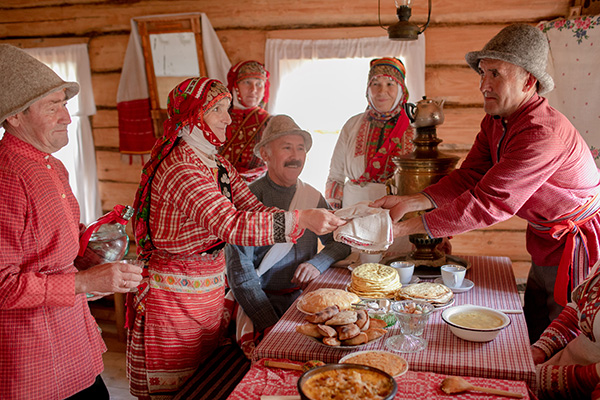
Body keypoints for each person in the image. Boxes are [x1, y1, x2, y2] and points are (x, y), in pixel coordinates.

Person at [372, 24, 600, 343]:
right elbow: (470, 176)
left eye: (495, 74)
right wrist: (409, 202)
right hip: (546, 237)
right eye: (482, 72)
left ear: (528, 81)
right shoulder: (497, 121)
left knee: (566, 335)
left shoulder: (541, 134)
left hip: (577, 244)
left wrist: (399, 230)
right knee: (534, 320)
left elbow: (488, 203)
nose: (483, 85)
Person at [126, 77, 345, 399]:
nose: (228, 119)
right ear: (192, 114)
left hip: (206, 293)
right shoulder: (182, 168)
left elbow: (252, 208)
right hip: (175, 296)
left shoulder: (215, 163)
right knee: (177, 388)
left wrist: (313, 217)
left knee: (202, 380)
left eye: (227, 109)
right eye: (217, 110)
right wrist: (301, 219)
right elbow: (230, 224)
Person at [0, 44, 144, 400]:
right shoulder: (6, 178)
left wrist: (95, 249)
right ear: (14, 116)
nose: (67, 117)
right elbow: (3, 285)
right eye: (53, 106)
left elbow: (52, 240)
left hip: (72, 336)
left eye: (64, 104)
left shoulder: (52, 166)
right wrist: (86, 281)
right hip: (33, 353)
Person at [225, 115, 351, 356]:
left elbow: (341, 242)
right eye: (287, 148)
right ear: (265, 154)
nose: (296, 156)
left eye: (300, 148)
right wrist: (270, 324)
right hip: (260, 306)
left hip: (305, 303)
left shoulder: (312, 196)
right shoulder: (248, 200)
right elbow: (240, 274)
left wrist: (316, 264)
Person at [325, 57, 415, 210]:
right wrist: (334, 213)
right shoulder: (352, 125)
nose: (382, 91)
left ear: (401, 89)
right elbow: (336, 175)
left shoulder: (414, 129)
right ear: (368, 89)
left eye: (390, 84)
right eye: (375, 84)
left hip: (396, 213)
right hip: (354, 212)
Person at [531, 261, 600, 399]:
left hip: (580, 388)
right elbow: (577, 309)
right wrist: (542, 347)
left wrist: (546, 379)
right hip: (559, 370)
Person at [219, 60, 271, 182]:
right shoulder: (217, 118)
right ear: (235, 86)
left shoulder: (271, 123)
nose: (253, 89)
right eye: (247, 82)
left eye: (259, 84)